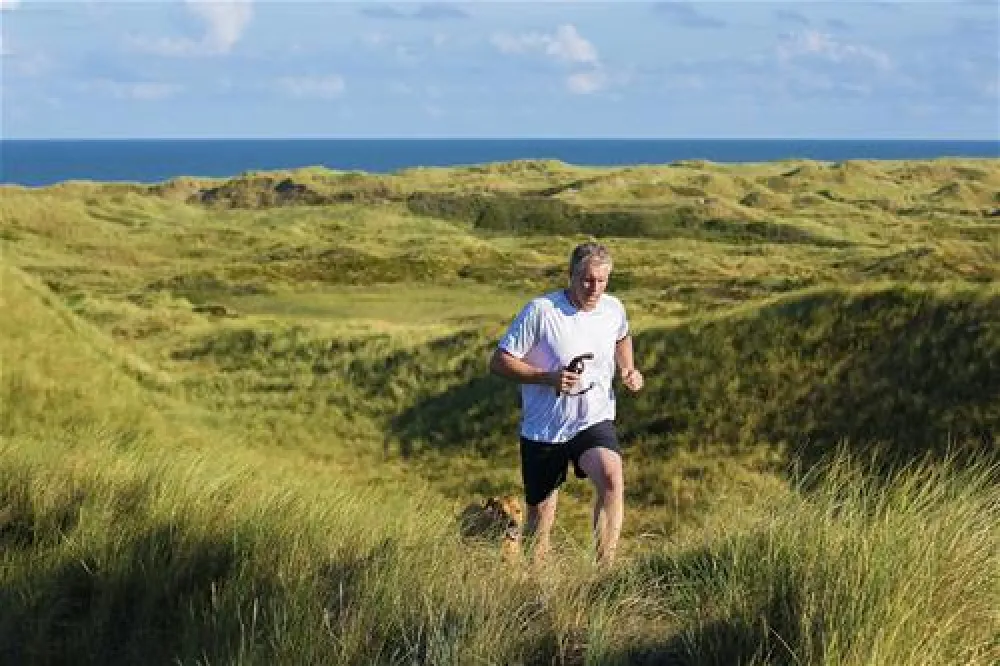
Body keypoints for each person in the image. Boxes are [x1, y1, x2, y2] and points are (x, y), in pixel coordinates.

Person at [489, 242, 643, 568]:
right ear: (570, 275)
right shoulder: (541, 311)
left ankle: (604, 571)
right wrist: (547, 378)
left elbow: (622, 336)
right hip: (544, 429)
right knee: (541, 518)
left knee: (613, 477)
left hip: (592, 420)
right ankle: (536, 586)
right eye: (587, 280)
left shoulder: (613, 308)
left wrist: (628, 367)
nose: (595, 288)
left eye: (602, 281)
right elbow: (499, 362)